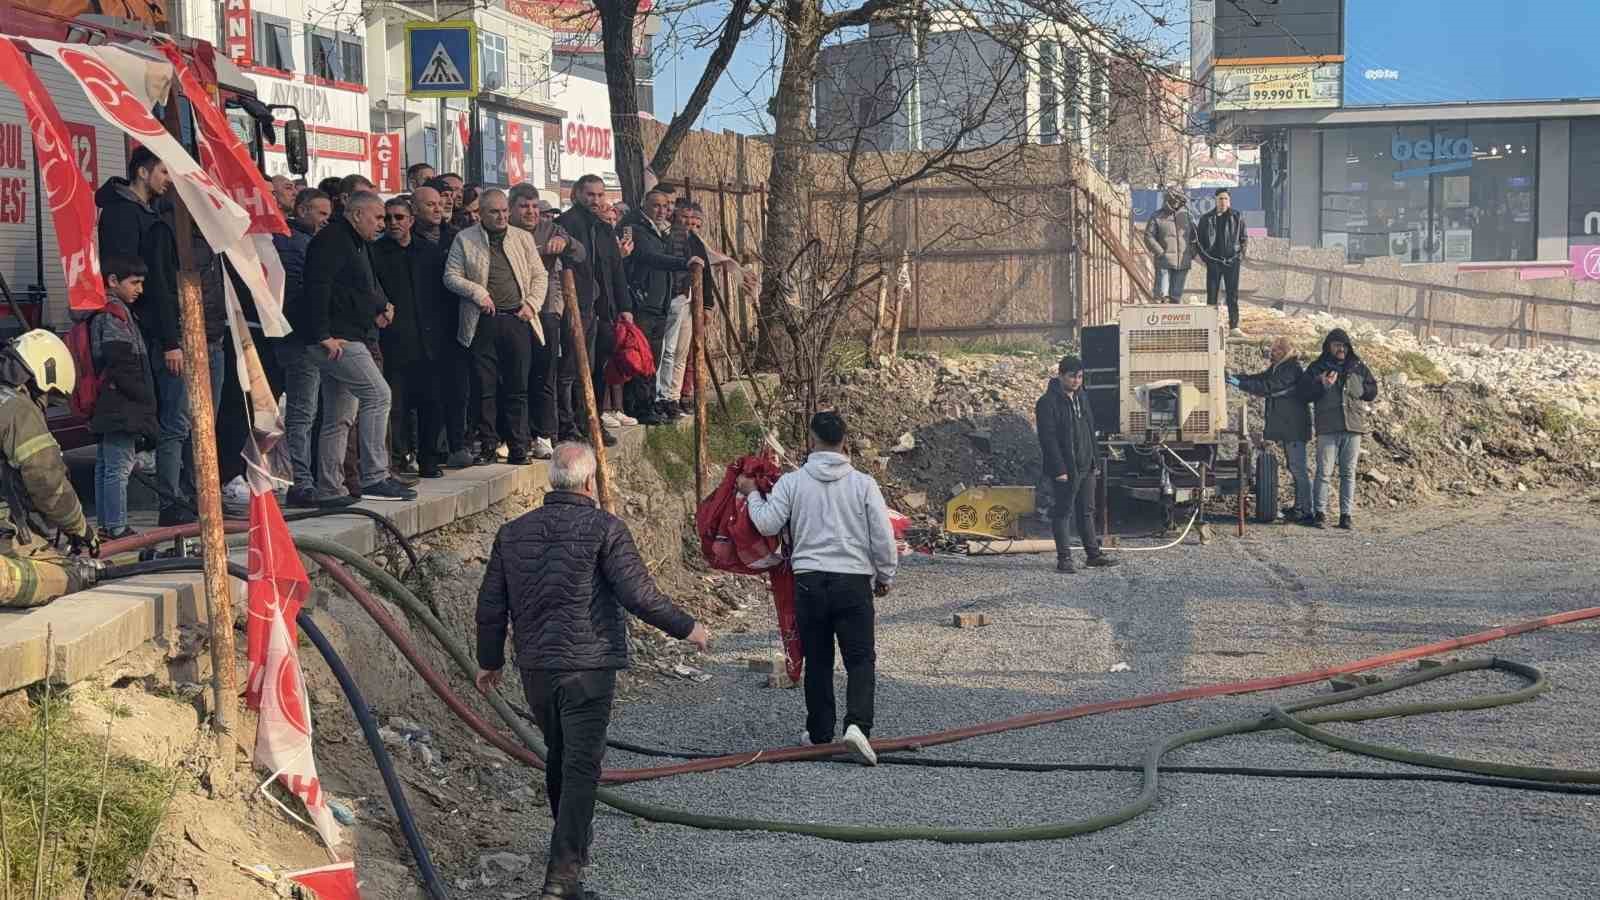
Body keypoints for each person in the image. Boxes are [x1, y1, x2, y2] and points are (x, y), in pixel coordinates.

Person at [474, 441, 708, 900]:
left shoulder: (513, 532)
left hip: (538, 668)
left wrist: (490, 661)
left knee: (560, 759)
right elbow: (637, 593)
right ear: (589, 482)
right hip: (589, 666)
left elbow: (490, 605)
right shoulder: (605, 528)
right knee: (581, 767)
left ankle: (569, 869)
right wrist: (688, 628)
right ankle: (561, 878)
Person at [740, 411, 895, 766]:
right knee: (859, 659)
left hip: (809, 581)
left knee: (819, 660)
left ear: (812, 439)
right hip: (853, 581)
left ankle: (820, 732)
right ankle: (857, 727)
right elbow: (882, 538)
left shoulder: (794, 483)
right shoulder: (863, 484)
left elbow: (767, 523)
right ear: (844, 440)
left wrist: (751, 494)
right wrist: (884, 576)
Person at [95, 148, 192, 525]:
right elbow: (151, 283)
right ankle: (124, 523)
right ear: (142, 172)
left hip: (146, 332)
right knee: (150, 436)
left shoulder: (149, 215)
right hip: (142, 337)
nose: (168, 180)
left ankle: (120, 522)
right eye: (164, 171)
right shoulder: (124, 216)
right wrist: (169, 338)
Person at [300, 191, 415, 504]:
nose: (381, 224)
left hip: (346, 335)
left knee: (339, 416)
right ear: (356, 214)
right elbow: (317, 286)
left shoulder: (354, 242)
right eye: (377, 217)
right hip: (338, 338)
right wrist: (322, 333)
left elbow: (362, 284)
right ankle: (375, 475)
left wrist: (382, 304)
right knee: (379, 395)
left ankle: (330, 487)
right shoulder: (333, 241)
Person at [444, 189, 547, 465]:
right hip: (483, 320)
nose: (501, 216)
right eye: (494, 212)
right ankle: (488, 444)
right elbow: (451, 276)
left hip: (517, 318)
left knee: (518, 386)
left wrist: (532, 305)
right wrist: (478, 293)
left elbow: (540, 275)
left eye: (504, 211)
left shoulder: (522, 238)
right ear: (481, 214)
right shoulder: (465, 239)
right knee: (484, 386)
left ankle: (518, 446)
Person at [0, 330, 101, 608]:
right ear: (43, 375)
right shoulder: (18, 409)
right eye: (49, 397)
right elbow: (47, 482)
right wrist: (80, 528)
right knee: (69, 573)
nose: (44, 406)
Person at [372, 196, 445, 479]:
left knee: (431, 404)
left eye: (399, 218)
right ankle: (398, 460)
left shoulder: (429, 252)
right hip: (393, 341)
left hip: (429, 342)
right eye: (387, 218)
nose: (393, 223)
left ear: (411, 220)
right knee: (397, 407)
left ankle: (429, 459)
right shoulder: (376, 253)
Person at [556, 176, 631, 447]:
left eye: (600, 195)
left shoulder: (604, 227)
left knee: (599, 368)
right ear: (577, 194)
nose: (596, 200)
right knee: (573, 369)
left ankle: (593, 419)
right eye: (590, 195)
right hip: (577, 306)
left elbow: (616, 270)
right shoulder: (566, 224)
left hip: (603, 309)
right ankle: (570, 425)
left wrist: (624, 307)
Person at [89, 257, 158, 540]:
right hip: (121, 404)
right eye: (134, 283)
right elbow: (121, 363)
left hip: (108, 401)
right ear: (113, 281)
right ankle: (116, 527)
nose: (139, 289)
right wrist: (146, 400)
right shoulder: (114, 315)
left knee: (106, 465)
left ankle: (107, 525)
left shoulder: (108, 311)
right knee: (118, 467)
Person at [1036, 355, 1119, 573]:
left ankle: (1093, 555)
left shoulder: (1082, 398)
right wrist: (1059, 469)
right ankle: (1065, 560)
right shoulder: (1047, 403)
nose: (1076, 381)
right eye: (1072, 376)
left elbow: (1090, 430)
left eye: (1080, 377)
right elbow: (1048, 439)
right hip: (1066, 469)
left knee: (1086, 511)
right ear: (1061, 375)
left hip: (1086, 465)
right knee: (1062, 511)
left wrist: (1096, 460)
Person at [410, 186, 472, 468]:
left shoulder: (456, 237)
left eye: (440, 204)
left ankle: (458, 445)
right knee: (428, 394)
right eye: (429, 205)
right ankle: (427, 453)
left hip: (455, 323)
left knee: (458, 389)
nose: (437, 209)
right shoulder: (406, 241)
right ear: (415, 209)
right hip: (421, 328)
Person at [277, 189, 331, 507]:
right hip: (299, 340)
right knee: (302, 414)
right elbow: (300, 294)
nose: (326, 220)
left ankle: (304, 480)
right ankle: (303, 482)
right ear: (303, 209)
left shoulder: (302, 242)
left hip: (292, 337)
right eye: (321, 213)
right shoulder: (297, 245)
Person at [521, 195, 585, 461]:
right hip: (516, 309)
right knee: (517, 376)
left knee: (546, 374)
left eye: (535, 207)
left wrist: (566, 242)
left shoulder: (552, 228)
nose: (531, 212)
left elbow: (580, 253)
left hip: (547, 310)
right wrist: (539, 252)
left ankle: (544, 434)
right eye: (525, 206)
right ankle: (518, 435)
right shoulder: (508, 233)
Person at [621, 188, 691, 426]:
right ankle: (639, 407)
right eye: (656, 206)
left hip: (660, 304)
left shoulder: (662, 232)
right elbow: (652, 258)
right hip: (643, 303)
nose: (662, 211)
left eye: (665, 206)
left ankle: (651, 403)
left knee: (655, 359)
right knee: (640, 358)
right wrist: (685, 264)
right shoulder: (636, 230)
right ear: (644, 206)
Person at [1299, 328, 1379, 530]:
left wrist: (1361, 389)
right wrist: (1321, 385)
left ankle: (1346, 516)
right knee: (1324, 472)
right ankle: (1320, 513)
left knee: (1348, 473)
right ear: (1328, 346)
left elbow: (1372, 390)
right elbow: (1304, 393)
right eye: (1336, 345)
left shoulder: (1358, 365)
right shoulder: (1317, 367)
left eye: (1343, 345)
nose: (1341, 349)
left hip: (1353, 426)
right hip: (1328, 426)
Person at [1229, 337, 1311, 524]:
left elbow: (1268, 387)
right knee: (1295, 467)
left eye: (1273, 351)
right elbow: (1261, 378)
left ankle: (1306, 510)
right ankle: (1300, 508)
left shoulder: (1291, 369)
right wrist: (1238, 378)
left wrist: (1240, 384)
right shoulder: (1280, 368)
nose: (1270, 354)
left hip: (1295, 427)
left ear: (1282, 352)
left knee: (1298, 469)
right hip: (1288, 426)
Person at [657, 201, 715, 420]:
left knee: (682, 352)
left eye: (692, 221)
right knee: (668, 350)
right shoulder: (669, 238)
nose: (688, 224)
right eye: (684, 218)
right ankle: (664, 396)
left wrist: (707, 305)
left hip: (690, 298)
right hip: (675, 297)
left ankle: (674, 395)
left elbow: (706, 272)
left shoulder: (695, 240)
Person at [1197, 187, 1249, 336]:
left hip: (1232, 262)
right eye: (1220, 198)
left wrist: (1239, 256)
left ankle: (1234, 327)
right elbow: (1199, 242)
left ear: (1229, 200)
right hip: (1214, 262)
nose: (1223, 201)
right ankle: (1210, 327)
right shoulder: (1206, 218)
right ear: (1215, 200)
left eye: (1226, 198)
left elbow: (1244, 239)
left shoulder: (1237, 216)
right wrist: (1207, 259)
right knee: (1212, 294)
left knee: (1232, 295)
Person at [1143, 188, 1195, 304]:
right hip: (1164, 263)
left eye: (1179, 199)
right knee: (1161, 298)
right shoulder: (1157, 216)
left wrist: (1191, 252)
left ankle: (1175, 322)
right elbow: (1148, 236)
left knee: (1176, 298)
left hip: (1183, 262)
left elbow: (1194, 237)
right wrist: (1160, 252)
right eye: (1175, 198)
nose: (1177, 201)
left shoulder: (1187, 216)